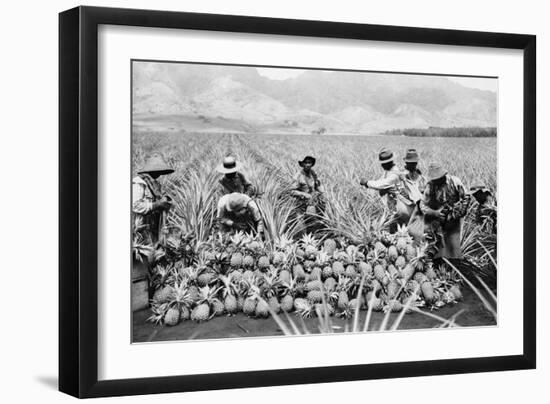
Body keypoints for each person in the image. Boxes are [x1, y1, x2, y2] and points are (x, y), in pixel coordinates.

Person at [420, 162, 469, 259]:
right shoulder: (430, 186)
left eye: (439, 178)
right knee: (436, 245)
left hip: (453, 217)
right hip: (438, 217)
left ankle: (454, 263)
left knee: (453, 245)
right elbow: (423, 205)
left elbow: (466, 197)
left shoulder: (455, 182)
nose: (437, 181)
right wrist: (435, 213)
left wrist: (459, 212)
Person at [360, 149, 412, 232]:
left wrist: (367, 183)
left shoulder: (394, 174)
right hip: (393, 203)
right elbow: (380, 181)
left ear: (388, 163)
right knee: (394, 224)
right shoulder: (388, 171)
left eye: (383, 164)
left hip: (400, 204)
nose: (382, 166)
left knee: (397, 224)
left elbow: (382, 184)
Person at [132, 153, 174, 245]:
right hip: (139, 229)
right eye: (158, 171)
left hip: (152, 226)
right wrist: (157, 204)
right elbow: (135, 206)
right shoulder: (139, 183)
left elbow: (160, 199)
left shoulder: (155, 185)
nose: (159, 174)